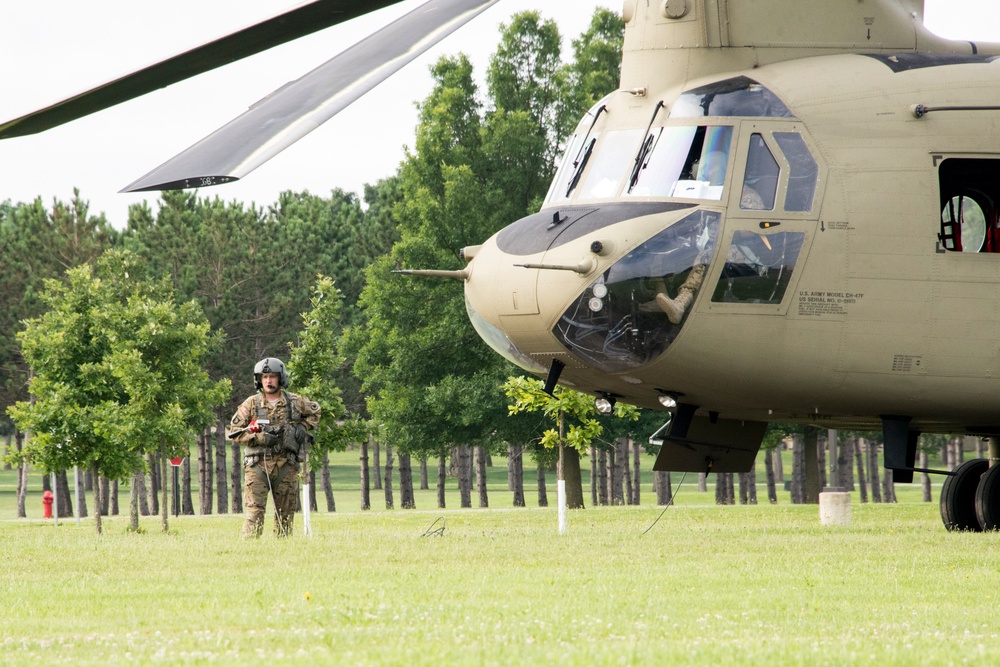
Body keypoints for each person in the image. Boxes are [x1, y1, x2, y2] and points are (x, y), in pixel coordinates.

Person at [228, 357, 320, 538]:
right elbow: (235, 432)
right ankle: (248, 551)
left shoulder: (294, 401)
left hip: (286, 465)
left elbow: (315, 411)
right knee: (254, 513)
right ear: (259, 380)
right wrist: (259, 438)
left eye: (272, 376)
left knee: (285, 515)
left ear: (281, 378)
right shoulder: (251, 404)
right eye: (265, 377)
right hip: (257, 467)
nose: (268, 381)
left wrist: (303, 426)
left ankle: (283, 550)